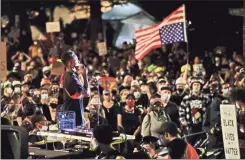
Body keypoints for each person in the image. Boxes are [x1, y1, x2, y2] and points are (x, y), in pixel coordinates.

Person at [61, 50, 90, 127]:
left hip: (71, 115)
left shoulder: (71, 76)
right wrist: (85, 75)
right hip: (71, 117)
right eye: (76, 59)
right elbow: (86, 94)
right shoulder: (71, 77)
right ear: (71, 63)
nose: (79, 61)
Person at [179, 77, 210, 145]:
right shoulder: (186, 98)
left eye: (198, 85)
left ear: (200, 87)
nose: (196, 87)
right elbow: (181, 111)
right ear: (191, 86)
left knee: (202, 144)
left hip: (202, 126)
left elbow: (209, 112)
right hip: (190, 126)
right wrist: (183, 122)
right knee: (190, 145)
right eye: (194, 85)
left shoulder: (205, 98)